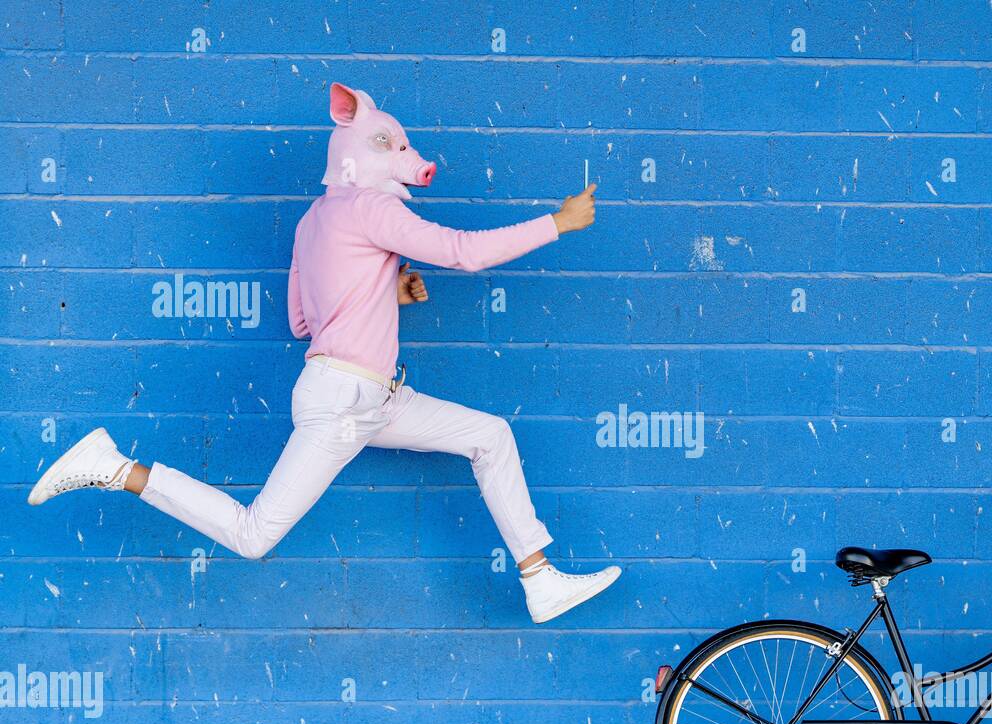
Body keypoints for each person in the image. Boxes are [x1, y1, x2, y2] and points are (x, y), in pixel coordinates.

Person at [27, 82, 620, 625]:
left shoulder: (314, 221)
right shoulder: (373, 206)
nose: (411, 160)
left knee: (489, 435)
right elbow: (461, 251)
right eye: (398, 147)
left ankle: (538, 578)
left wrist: (383, 292)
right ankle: (114, 467)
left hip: (374, 397)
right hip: (344, 402)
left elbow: (302, 320)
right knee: (253, 534)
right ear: (369, 153)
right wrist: (558, 223)